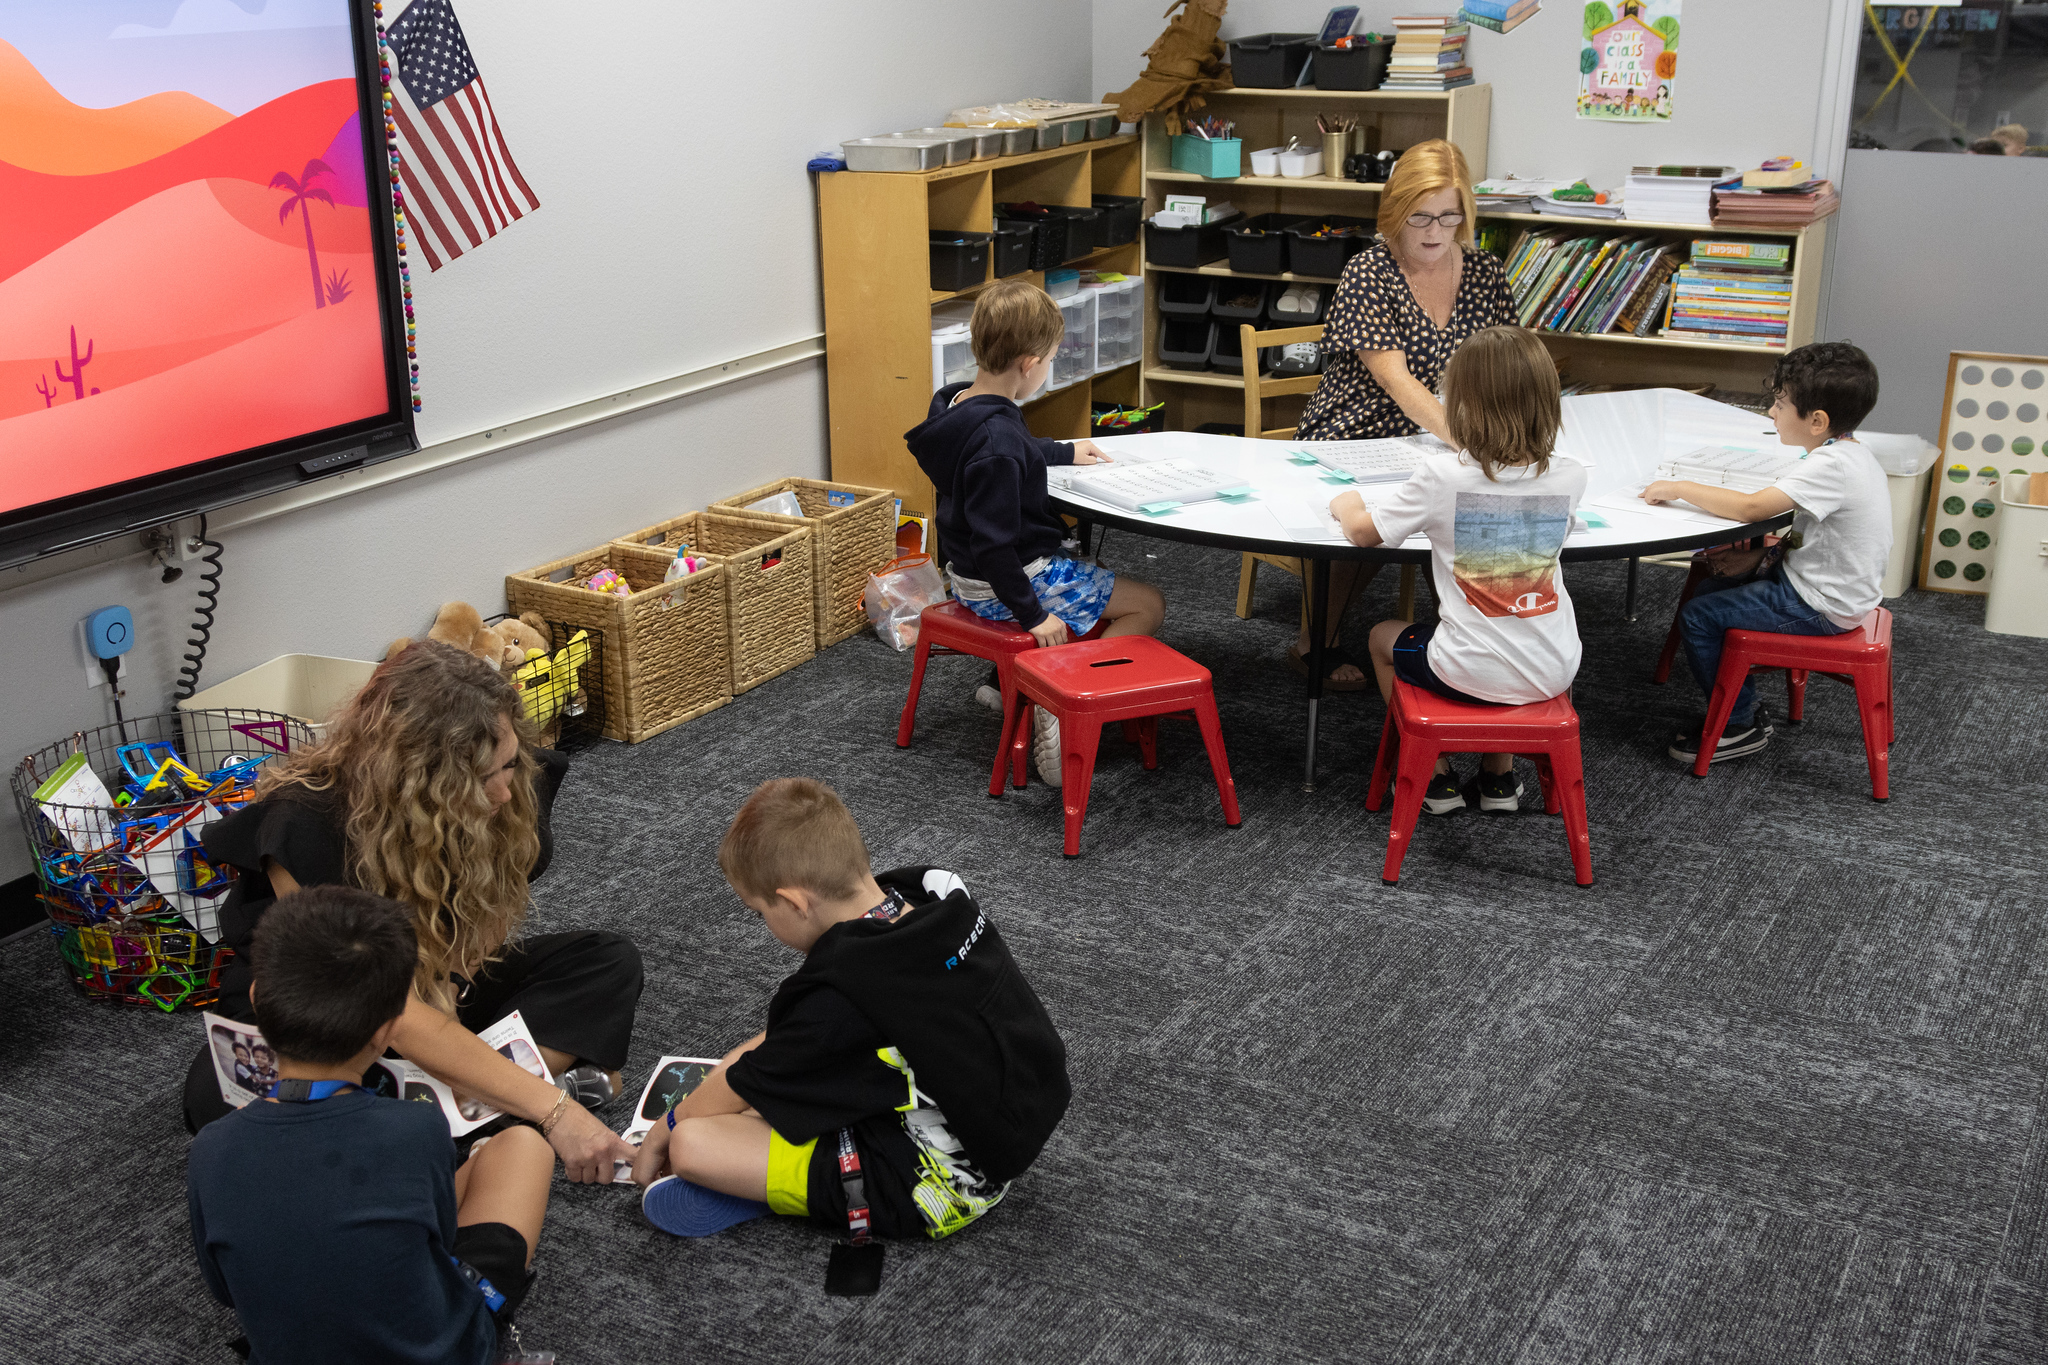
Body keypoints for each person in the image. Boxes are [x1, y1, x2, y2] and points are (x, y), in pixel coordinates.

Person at [182, 639, 643, 1185]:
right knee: (215, 1094)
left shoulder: (511, 782)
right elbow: (386, 1008)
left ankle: (449, 1113)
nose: (501, 792)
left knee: (605, 960)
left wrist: (452, 977)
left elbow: (496, 907)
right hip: (334, 1017)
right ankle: (486, 1108)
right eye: (478, 778)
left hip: (442, 983)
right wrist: (556, 1111)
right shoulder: (305, 823)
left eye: (509, 763)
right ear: (415, 776)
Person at [632, 778, 1070, 1250]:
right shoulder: (928, 898)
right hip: (993, 1130)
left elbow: (745, 1078)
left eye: (760, 913)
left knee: (694, 1145)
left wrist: (665, 1129)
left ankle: (780, 1190)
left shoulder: (841, 992)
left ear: (796, 901)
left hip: (936, 1187)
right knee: (767, 1068)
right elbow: (785, 1043)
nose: (764, 925)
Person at [188, 886, 555, 1364]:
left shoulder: (213, 1145)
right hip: (441, 1351)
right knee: (524, 1147)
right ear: (386, 1030)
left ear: (257, 998)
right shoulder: (415, 1128)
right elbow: (437, 1248)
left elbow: (225, 1290)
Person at [905, 278, 1166, 784]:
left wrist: (1063, 451)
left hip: (967, 577)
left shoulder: (959, 405)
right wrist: (1034, 614)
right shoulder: (999, 440)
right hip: (1014, 582)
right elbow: (996, 540)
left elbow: (1006, 449)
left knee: (1096, 578)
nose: (1048, 369)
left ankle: (1006, 686)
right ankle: (1063, 696)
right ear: (1029, 364)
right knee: (1148, 604)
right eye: (1048, 360)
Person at [1329, 325, 1586, 815]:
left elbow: (1365, 534)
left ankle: (1436, 774)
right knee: (1509, 626)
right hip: (1556, 667)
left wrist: (1346, 503)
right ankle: (1499, 779)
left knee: (1383, 635)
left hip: (1464, 668)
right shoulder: (1571, 475)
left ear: (1462, 404)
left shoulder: (1442, 476)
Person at [1290, 139, 1517, 690]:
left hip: (1443, 432)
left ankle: (1474, 643)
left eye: (1448, 216)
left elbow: (1505, 359)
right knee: (1377, 519)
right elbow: (1396, 381)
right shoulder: (1368, 271)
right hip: (1356, 429)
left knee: (1483, 506)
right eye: (1420, 217)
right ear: (1395, 212)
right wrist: (1469, 443)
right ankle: (1313, 643)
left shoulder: (1484, 271)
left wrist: (1496, 432)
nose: (1435, 231)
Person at [1642, 340, 1888, 764]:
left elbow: (1751, 508)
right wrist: (1759, 558)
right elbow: (1812, 539)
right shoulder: (1848, 454)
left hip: (1820, 603)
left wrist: (1678, 487)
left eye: (1779, 403)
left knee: (1698, 616)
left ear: (1816, 420)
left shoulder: (1829, 466)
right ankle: (1745, 709)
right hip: (1830, 587)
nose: (1772, 412)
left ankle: (1738, 725)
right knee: (1708, 594)